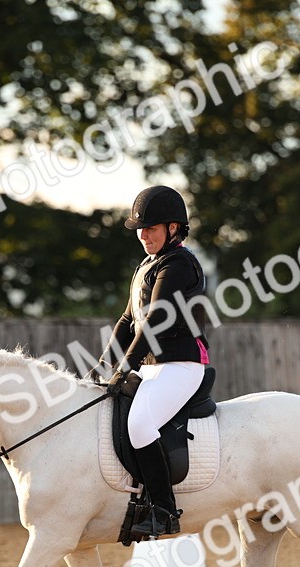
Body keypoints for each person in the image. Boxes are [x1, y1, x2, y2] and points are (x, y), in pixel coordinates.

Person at [94, 185, 210, 538]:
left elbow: (157, 319)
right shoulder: (147, 265)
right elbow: (129, 322)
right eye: (141, 230)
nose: (144, 235)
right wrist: (102, 366)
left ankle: (163, 510)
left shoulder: (178, 265)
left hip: (180, 364)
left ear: (173, 228)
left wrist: (125, 366)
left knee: (140, 425)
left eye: (152, 229)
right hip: (152, 365)